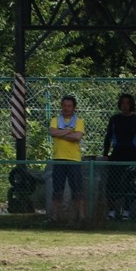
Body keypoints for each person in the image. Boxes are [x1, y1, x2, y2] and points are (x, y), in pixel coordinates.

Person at [103, 93, 136, 221]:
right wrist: (105, 153)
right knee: (112, 182)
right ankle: (112, 211)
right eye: (122, 103)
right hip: (117, 153)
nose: (125, 106)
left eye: (127, 103)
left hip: (132, 154)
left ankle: (126, 212)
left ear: (131, 105)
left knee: (131, 183)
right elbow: (108, 136)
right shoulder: (114, 119)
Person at [48, 95, 85, 227]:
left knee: (77, 189)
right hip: (59, 158)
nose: (66, 108)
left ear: (74, 108)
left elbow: (77, 137)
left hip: (74, 159)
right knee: (57, 189)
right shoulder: (55, 120)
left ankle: (80, 216)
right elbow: (52, 133)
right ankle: (54, 216)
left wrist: (61, 132)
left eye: (69, 106)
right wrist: (68, 131)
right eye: (64, 105)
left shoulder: (79, 121)